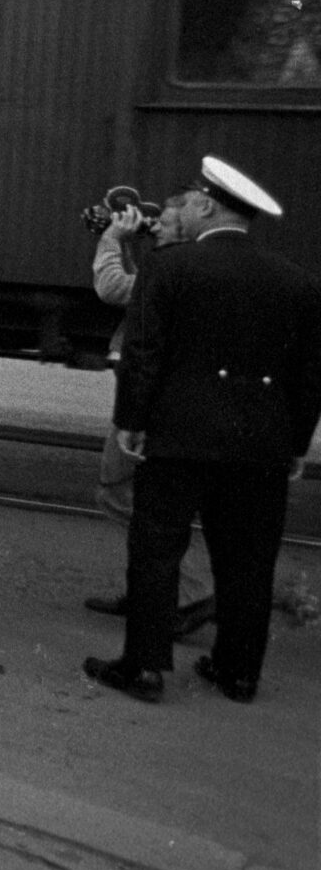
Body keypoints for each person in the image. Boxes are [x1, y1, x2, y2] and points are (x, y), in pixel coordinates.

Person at [86, 159, 321, 706]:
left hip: (177, 435)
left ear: (208, 207)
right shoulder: (298, 282)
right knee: (248, 561)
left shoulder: (171, 269)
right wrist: (296, 444)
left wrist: (132, 423)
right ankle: (238, 673)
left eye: (189, 200)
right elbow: (310, 376)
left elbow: (143, 355)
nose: (181, 208)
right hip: (261, 442)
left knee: (156, 550)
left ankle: (143, 667)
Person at [83, 197, 214, 632]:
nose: (159, 223)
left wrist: (111, 238)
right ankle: (151, 590)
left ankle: (193, 590)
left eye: (170, 218)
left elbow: (113, 287)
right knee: (135, 496)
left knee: (119, 492)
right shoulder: (180, 263)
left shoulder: (178, 268)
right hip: (148, 392)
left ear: (189, 227)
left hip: (145, 399)